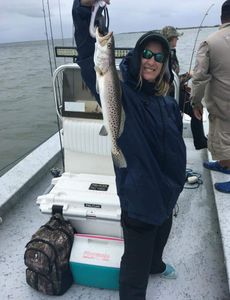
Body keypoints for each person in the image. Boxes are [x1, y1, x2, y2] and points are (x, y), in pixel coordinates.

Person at [72, 1, 186, 299]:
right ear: (137, 57)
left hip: (166, 194)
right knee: (134, 271)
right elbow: (88, 58)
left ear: (165, 63)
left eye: (159, 56)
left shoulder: (168, 102)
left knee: (160, 239)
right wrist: (85, 9)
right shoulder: (123, 93)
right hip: (138, 200)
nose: (151, 60)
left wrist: (176, 184)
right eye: (147, 54)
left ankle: (156, 265)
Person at [191, 0, 230, 194]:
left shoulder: (210, 42)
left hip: (223, 107)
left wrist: (195, 103)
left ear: (221, 17)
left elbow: (198, 78)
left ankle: (227, 166)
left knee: (225, 140)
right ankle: (224, 165)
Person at [161, 25, 207, 150]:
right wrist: (189, 75)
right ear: (170, 38)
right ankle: (200, 141)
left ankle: (201, 140)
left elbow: (173, 77)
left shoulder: (170, 53)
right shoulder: (165, 56)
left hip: (176, 91)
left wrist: (183, 85)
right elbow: (169, 82)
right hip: (169, 94)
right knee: (196, 109)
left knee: (198, 108)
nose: (178, 40)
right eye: (176, 37)